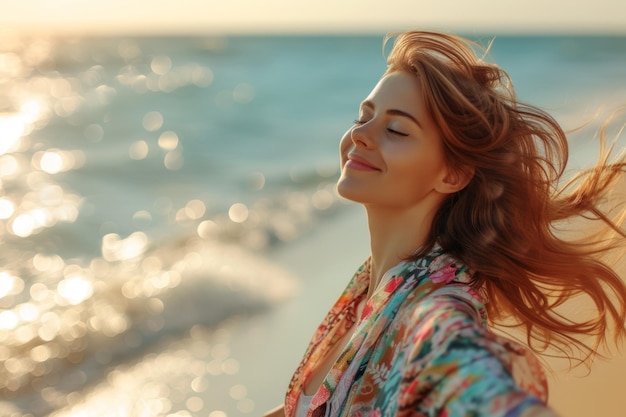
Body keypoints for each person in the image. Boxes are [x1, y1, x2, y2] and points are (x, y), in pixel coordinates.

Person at [263, 30, 626, 417]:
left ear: (452, 175)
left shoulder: (435, 309)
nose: (360, 135)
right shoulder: (368, 289)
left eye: (396, 130)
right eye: (363, 116)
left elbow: (468, 377)